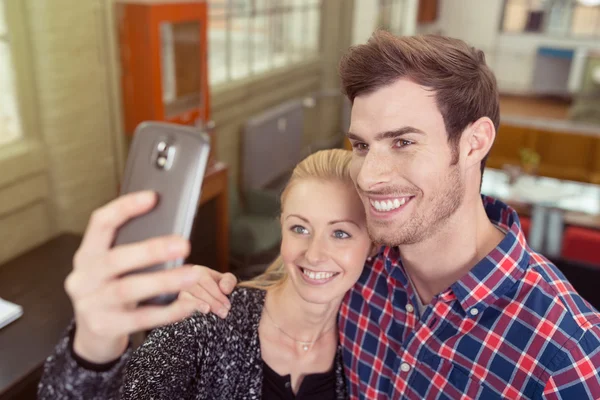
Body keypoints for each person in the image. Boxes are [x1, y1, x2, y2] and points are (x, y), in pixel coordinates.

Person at [191, 31, 600, 399]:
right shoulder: (356, 270)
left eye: (403, 142)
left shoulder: (566, 354)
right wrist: (211, 300)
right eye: (363, 146)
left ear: (474, 143)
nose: (368, 178)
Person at [38, 149, 373, 399]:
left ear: (372, 244)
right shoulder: (211, 316)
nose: (313, 254)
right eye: (299, 228)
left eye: (341, 233)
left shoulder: (371, 346)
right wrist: (93, 351)